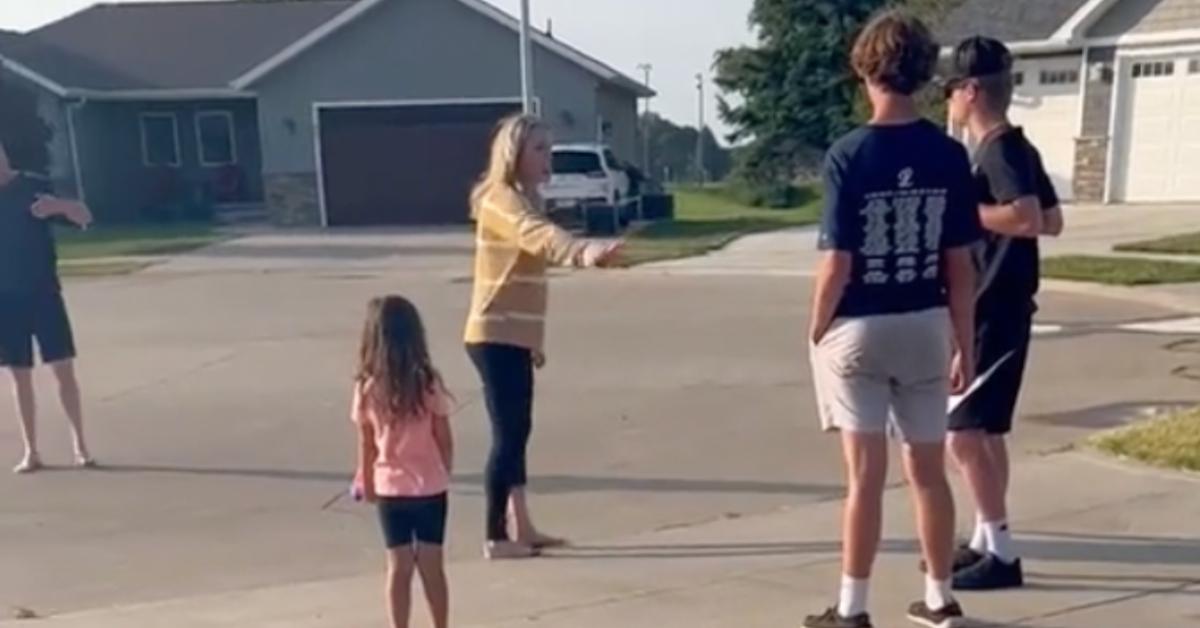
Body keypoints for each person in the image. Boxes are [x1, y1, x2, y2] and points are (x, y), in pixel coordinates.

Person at [805, 10, 982, 628]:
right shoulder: (948, 156)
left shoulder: (849, 154)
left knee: (865, 477)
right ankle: (940, 596)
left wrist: (816, 327)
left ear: (866, 71)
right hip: (926, 321)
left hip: (862, 323)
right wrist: (965, 341)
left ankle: (852, 606)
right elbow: (960, 264)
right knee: (929, 472)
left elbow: (837, 263)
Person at [464, 114, 622, 560]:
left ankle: (523, 525)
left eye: (548, 149)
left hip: (514, 335)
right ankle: (496, 536)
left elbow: (527, 274)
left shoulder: (525, 199)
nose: (547, 158)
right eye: (538, 149)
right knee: (507, 434)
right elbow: (538, 237)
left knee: (519, 431)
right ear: (513, 154)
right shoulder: (502, 200)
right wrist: (582, 251)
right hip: (492, 334)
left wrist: (533, 340)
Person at [941, 36, 1065, 591]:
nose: (947, 101)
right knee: (986, 433)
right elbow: (1054, 219)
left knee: (962, 435)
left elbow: (1030, 218)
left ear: (970, 91)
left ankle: (1003, 552)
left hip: (997, 306)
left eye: (950, 91)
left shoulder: (1000, 151)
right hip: (1002, 305)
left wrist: (969, 212)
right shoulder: (1015, 147)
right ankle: (985, 539)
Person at [352, 295, 453, 628]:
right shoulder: (427, 381)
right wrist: (444, 470)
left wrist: (366, 481)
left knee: (398, 567)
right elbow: (443, 434)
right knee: (431, 564)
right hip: (430, 486)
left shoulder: (367, 388)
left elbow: (366, 443)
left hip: (390, 488)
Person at [0, 139, 95, 474]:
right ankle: (31, 451)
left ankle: (80, 445)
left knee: (63, 371)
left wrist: (59, 207)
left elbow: (84, 216)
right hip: (6, 302)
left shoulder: (33, 187)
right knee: (19, 377)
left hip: (44, 294)